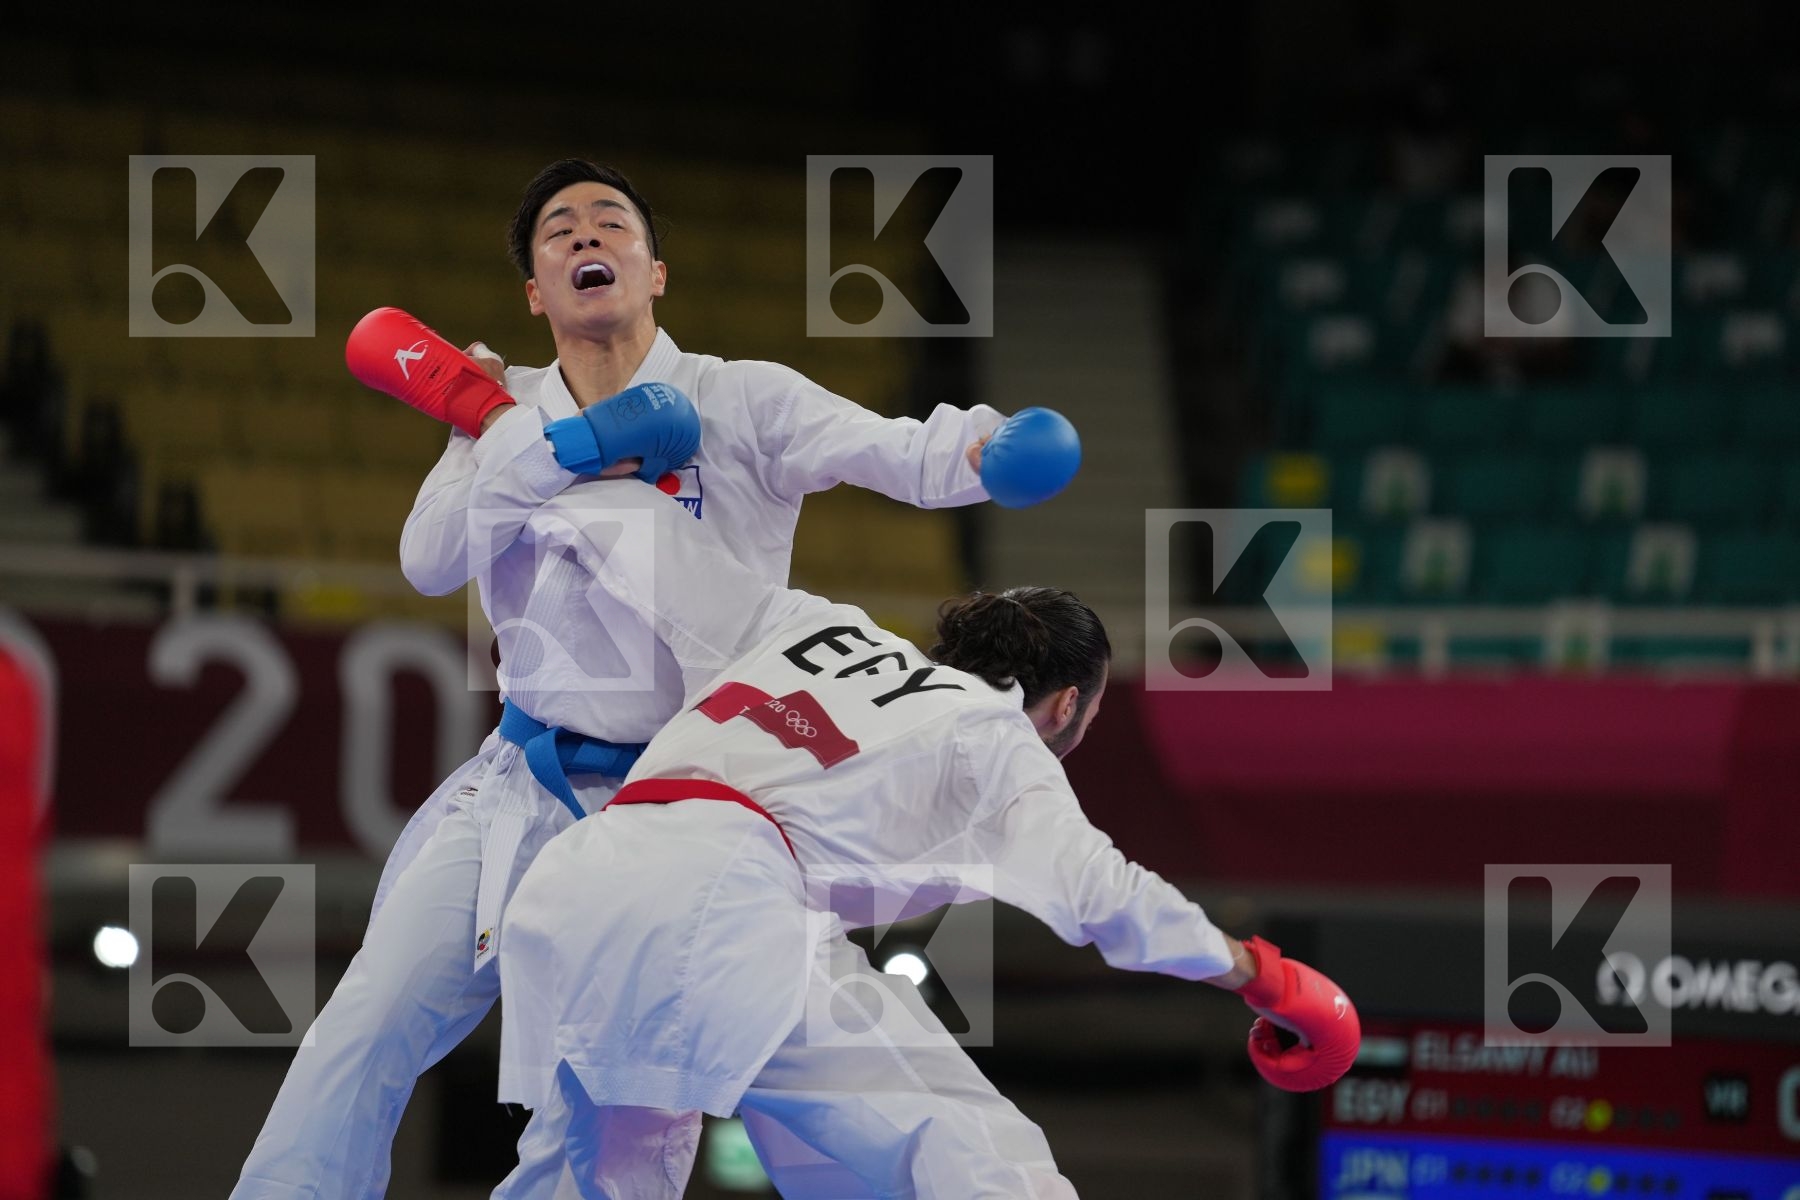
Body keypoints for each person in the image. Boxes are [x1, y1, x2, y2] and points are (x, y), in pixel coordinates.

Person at [233, 156, 1017, 1200]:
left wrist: (985, 448)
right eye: (560, 232)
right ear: (535, 291)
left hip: (674, 819)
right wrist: (558, 444)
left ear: (656, 273)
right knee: (363, 1029)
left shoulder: (742, 400)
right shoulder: (497, 407)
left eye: (612, 224)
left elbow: (898, 451)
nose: (587, 238)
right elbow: (429, 559)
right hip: (519, 781)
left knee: (606, 1134)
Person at [490, 477, 1363, 1199]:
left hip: (579, 884)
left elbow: (640, 535)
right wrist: (1264, 976)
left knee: (583, 1180)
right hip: (719, 901)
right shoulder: (995, 733)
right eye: (1088, 716)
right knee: (978, 1154)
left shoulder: (811, 625)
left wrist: (498, 419)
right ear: (1067, 704)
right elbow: (1100, 894)